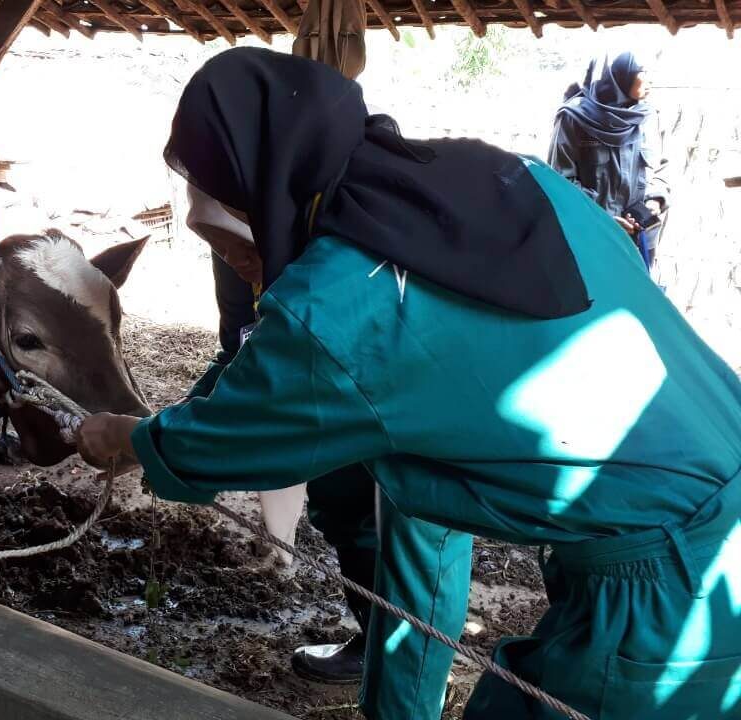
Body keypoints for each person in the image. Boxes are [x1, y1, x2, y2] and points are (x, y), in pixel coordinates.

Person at [79, 47, 741, 720]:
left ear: (265, 191)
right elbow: (291, 368)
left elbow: (212, 448)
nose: (243, 269)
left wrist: (122, 435)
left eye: (229, 245)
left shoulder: (339, 306)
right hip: (692, 518)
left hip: (674, 593)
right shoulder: (494, 182)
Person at [185, 182, 378, 685]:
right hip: (327, 384)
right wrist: (180, 420)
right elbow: (242, 346)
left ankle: (393, 648)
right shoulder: (236, 255)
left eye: (244, 248)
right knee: (338, 503)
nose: (235, 260)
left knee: (363, 505)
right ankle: (379, 636)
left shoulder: (341, 243)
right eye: (219, 247)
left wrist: (185, 444)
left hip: (369, 393)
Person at [549, 52, 671, 270]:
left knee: (635, 301)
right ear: (619, 76)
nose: (651, 79)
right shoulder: (574, 118)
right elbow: (560, 182)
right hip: (592, 239)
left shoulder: (647, 117)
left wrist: (654, 202)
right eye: (643, 71)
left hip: (640, 241)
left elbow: (661, 167)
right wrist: (604, 220)